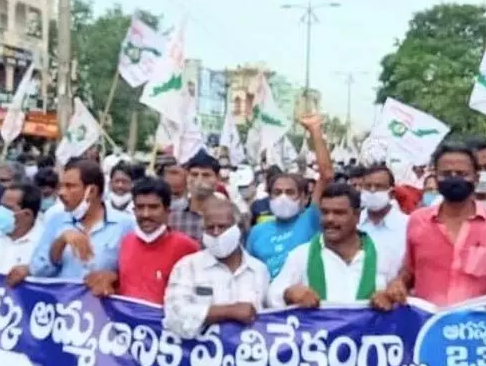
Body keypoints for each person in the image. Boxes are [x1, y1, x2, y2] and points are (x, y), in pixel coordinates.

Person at [374, 142, 486, 309]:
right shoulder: (418, 221)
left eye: (462, 173)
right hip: (429, 326)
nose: (454, 179)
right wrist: (398, 283)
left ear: (476, 177)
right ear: (435, 177)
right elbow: (410, 270)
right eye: (446, 174)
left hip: (478, 327)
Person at [268, 182, 400, 308]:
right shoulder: (301, 255)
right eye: (325, 212)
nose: (329, 219)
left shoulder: (384, 255)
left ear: (357, 216)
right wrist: (290, 294)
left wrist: (389, 298)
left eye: (339, 213)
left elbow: (398, 296)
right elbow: (272, 296)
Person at [9, 159, 134, 285]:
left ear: (92, 191)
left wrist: (112, 277)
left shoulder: (125, 225)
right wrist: (60, 242)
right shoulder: (56, 219)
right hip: (60, 302)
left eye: (70, 186)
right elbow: (38, 270)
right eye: (61, 186)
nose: (61, 193)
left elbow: (131, 276)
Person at [162, 196, 269, 338]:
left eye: (223, 226)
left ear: (238, 228)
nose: (216, 233)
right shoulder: (187, 266)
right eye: (210, 228)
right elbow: (174, 316)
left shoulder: (258, 270)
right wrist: (228, 311)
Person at [86, 177, 200, 304]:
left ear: (167, 211)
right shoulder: (126, 242)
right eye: (140, 207)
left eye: (153, 207)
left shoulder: (187, 247)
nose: (146, 214)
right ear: (134, 210)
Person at [247, 115, 334, 278]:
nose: (283, 197)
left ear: (303, 198)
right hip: (270, 301)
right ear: (269, 197)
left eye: (290, 192)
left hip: (305, 299)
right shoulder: (257, 232)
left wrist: (315, 131)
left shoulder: (311, 220)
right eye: (277, 192)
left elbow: (327, 175)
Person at [358, 163, 409, 263]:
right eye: (368, 186)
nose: (372, 190)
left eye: (379, 186)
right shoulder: (354, 223)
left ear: (391, 193)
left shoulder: (407, 225)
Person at [171, 151, 221, 243]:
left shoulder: (230, 215)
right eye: (194, 174)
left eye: (206, 175)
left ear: (217, 179)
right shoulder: (172, 215)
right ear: (187, 177)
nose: (199, 180)